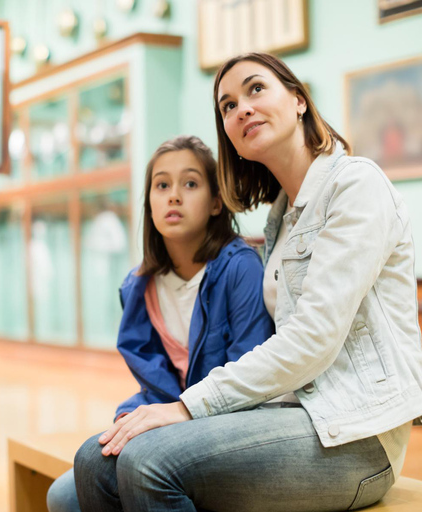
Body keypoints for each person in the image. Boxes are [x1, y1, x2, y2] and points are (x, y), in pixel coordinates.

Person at [73, 53, 422, 512]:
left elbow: (313, 341)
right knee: (93, 461)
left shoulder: (356, 185)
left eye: (255, 89)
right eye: (226, 105)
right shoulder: (281, 218)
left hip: (356, 435)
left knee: (148, 463)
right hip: (288, 416)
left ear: (299, 99)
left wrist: (186, 408)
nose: (240, 108)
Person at [46, 135, 274, 512]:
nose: (173, 196)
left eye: (190, 183)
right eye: (162, 185)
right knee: (79, 474)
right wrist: (132, 416)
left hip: (230, 426)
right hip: (176, 424)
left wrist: (170, 421)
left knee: (120, 472)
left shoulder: (240, 268)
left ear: (217, 202)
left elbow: (249, 383)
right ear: (149, 203)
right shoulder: (139, 287)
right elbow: (156, 385)